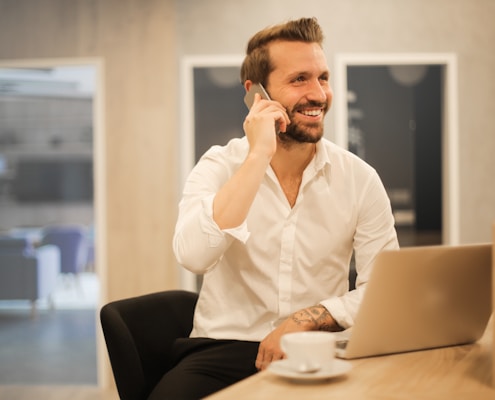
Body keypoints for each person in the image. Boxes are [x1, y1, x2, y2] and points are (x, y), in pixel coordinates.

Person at [150, 17, 399, 399]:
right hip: (222, 349)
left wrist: (305, 320)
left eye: (323, 78)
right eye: (299, 79)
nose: (318, 94)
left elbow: (383, 290)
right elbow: (194, 256)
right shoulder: (219, 165)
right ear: (257, 94)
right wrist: (258, 155)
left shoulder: (360, 179)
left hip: (319, 348)